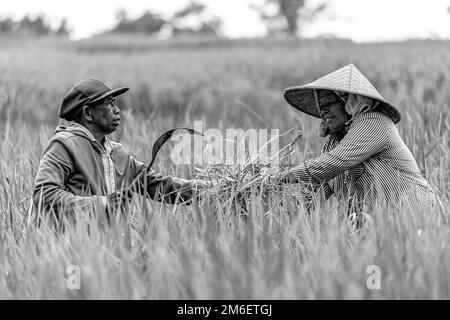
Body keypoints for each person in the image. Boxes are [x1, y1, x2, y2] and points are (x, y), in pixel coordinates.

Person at [33, 79, 207, 225]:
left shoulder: (118, 153)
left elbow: (161, 186)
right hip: (73, 248)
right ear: (88, 113)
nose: (117, 110)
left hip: (110, 248)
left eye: (115, 103)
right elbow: (44, 194)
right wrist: (102, 204)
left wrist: (216, 191)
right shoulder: (64, 145)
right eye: (109, 104)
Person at [275, 64, 441, 216]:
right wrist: (267, 195)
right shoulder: (334, 145)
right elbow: (313, 194)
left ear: (348, 102)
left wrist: (278, 177)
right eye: (321, 106)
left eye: (330, 102)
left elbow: (334, 162)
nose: (323, 110)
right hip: (381, 226)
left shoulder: (374, 121)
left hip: (417, 211)